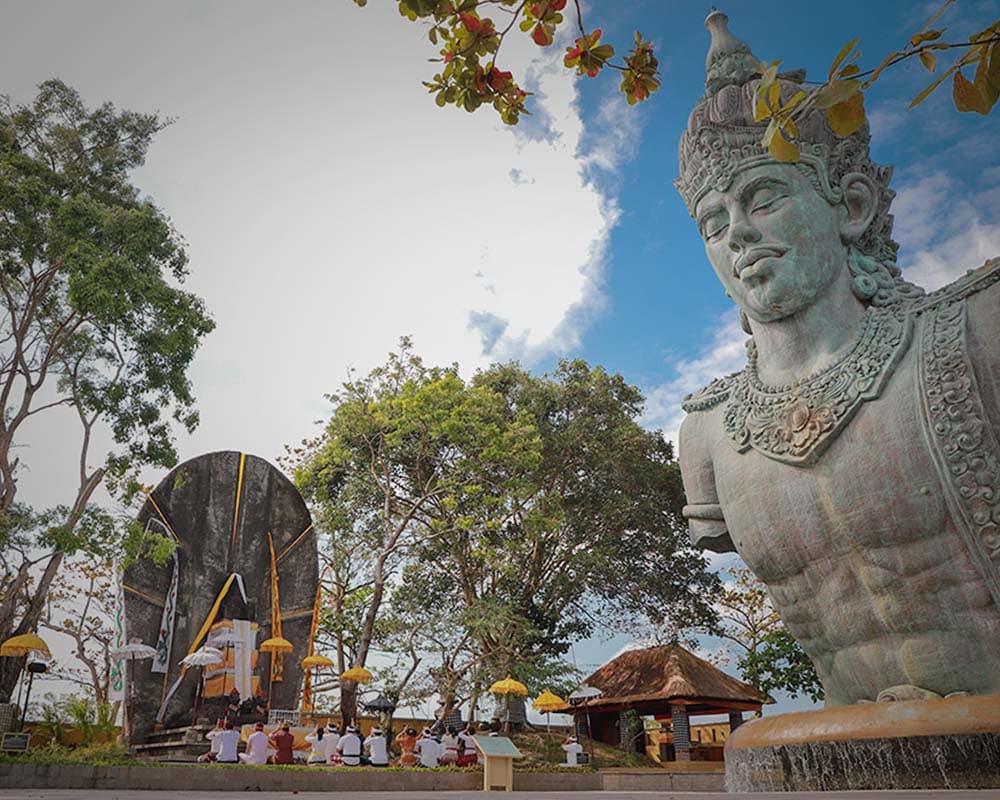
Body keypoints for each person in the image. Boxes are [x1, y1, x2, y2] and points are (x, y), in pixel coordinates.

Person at [676, 10, 1000, 707]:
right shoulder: (708, 432)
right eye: (713, 220)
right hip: (842, 742)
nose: (738, 233)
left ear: (849, 205)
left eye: (764, 197)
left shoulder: (976, 334)